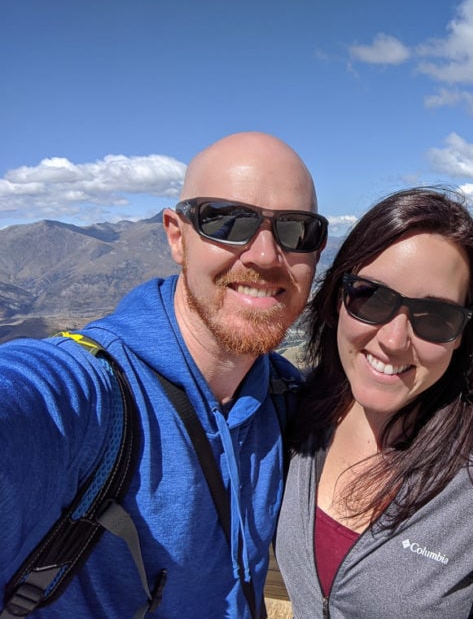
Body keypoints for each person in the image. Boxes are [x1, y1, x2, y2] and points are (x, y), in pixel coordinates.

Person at [0, 132, 327, 618]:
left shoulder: (283, 399)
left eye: (297, 230)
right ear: (177, 235)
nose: (264, 254)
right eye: (227, 221)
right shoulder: (93, 395)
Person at [275, 187, 473, 617]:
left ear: (463, 336)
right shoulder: (296, 417)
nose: (394, 340)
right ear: (337, 300)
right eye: (370, 296)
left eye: (435, 316)